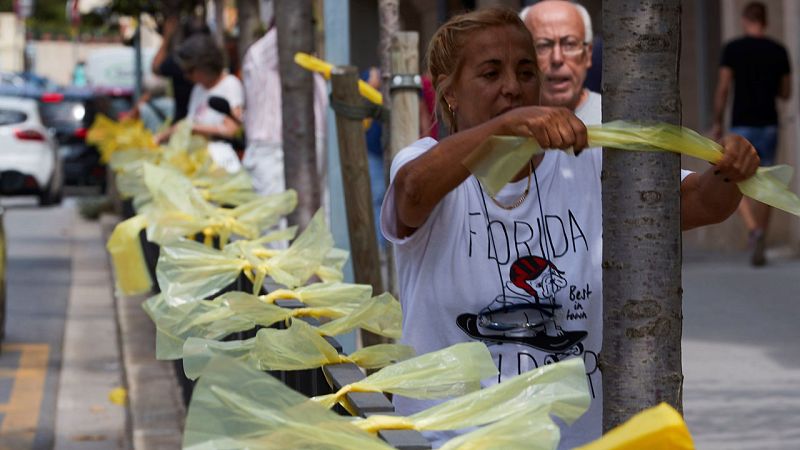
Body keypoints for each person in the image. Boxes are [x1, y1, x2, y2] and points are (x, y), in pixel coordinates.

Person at [382, 7, 759, 449]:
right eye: (490, 73)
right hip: (449, 440)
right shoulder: (421, 165)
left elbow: (704, 202)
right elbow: (411, 194)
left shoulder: (588, 165)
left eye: (526, 72)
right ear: (450, 94)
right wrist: (504, 127)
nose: (512, 87)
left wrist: (731, 169)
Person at [712, 1, 791, 266]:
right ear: (765, 21)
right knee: (768, 184)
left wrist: (717, 121)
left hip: (741, 126)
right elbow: (786, 92)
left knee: (733, 179)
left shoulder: (733, 49)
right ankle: (761, 236)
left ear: (745, 20)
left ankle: (752, 228)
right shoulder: (779, 51)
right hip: (768, 124)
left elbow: (723, 88)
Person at [240, 2, 327, 196]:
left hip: (311, 149)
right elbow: (289, 27)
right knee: (277, 213)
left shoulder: (312, 69)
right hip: (273, 152)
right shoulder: (260, 55)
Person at [156, 33, 244, 173]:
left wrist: (194, 128)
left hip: (221, 163)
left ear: (206, 65)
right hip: (198, 161)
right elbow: (189, 122)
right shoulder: (198, 89)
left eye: (190, 71)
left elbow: (231, 129)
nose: (186, 76)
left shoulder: (230, 84)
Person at [151, 16, 209, 124]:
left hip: (193, 121)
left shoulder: (178, 61)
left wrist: (167, 37)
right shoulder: (180, 61)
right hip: (191, 121)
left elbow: (155, 67)